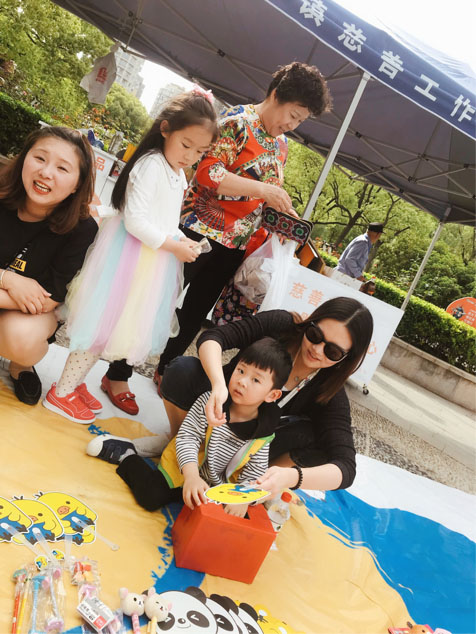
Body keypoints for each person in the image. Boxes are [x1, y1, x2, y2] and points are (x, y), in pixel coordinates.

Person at [107, 61, 332, 396]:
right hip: (195, 229)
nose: (292, 124)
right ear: (276, 95)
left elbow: (265, 194)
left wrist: (283, 212)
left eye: (300, 121)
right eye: (293, 115)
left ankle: (166, 371)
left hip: (235, 243)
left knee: (195, 313)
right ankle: (118, 372)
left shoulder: (281, 146)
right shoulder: (236, 122)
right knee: (157, 299)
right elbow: (208, 173)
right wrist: (264, 191)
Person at [43, 89, 219, 423]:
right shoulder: (151, 164)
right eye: (186, 145)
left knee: (112, 328)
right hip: (127, 257)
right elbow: (136, 221)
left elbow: (163, 219)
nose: (191, 156)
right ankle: (61, 392)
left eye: (200, 151)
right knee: (101, 325)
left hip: (148, 260)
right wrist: (174, 246)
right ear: (165, 129)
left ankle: (74, 384)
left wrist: (181, 238)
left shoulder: (177, 172)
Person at [103, 297, 373, 498]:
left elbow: (346, 468)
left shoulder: (330, 389)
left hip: (248, 448)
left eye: (332, 352)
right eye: (315, 335)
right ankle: (180, 442)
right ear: (309, 322)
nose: (317, 350)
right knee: (182, 370)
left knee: (315, 439)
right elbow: (213, 337)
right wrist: (219, 386)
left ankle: (259, 486)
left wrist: (289, 477)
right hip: (214, 413)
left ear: (345, 359)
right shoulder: (281, 325)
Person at [86, 337, 293, 518]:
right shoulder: (211, 401)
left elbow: (254, 473)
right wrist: (191, 477)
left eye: (255, 379)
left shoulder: (264, 431)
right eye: (240, 371)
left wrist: (242, 498)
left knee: (233, 519)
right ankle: (128, 457)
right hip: (185, 468)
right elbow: (187, 437)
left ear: (272, 395)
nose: (242, 382)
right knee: (150, 496)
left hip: (218, 487)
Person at [0, 126, 98, 405]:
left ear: (77, 184)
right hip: (10, 293)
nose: (46, 172)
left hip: (29, 313)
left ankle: (21, 364)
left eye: (62, 168)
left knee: (22, 338)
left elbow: (49, 298)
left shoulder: (82, 229)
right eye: (40, 158)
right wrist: (9, 279)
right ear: (24, 158)